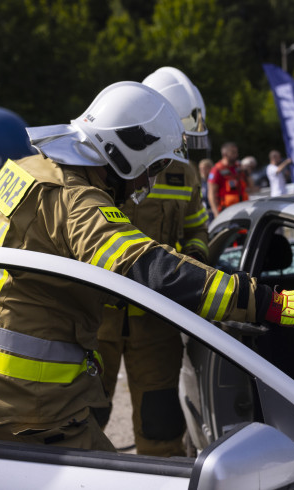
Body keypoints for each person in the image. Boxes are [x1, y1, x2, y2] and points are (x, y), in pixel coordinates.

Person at [0, 81, 294, 453]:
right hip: (28, 404)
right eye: (152, 167)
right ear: (121, 152)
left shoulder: (24, 170)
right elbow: (153, 270)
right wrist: (269, 303)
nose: (150, 179)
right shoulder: (78, 201)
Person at [95, 67, 212, 456]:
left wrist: (194, 255)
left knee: (162, 428)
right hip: (97, 319)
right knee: (81, 420)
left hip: (157, 322)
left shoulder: (184, 174)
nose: (177, 146)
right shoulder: (103, 168)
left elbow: (197, 229)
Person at [207, 141, 247, 217]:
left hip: (243, 209)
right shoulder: (217, 170)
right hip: (226, 212)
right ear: (225, 154)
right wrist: (216, 214)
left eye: (236, 152)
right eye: (233, 153)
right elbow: (211, 194)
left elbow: (248, 186)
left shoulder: (238, 167)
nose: (236, 155)